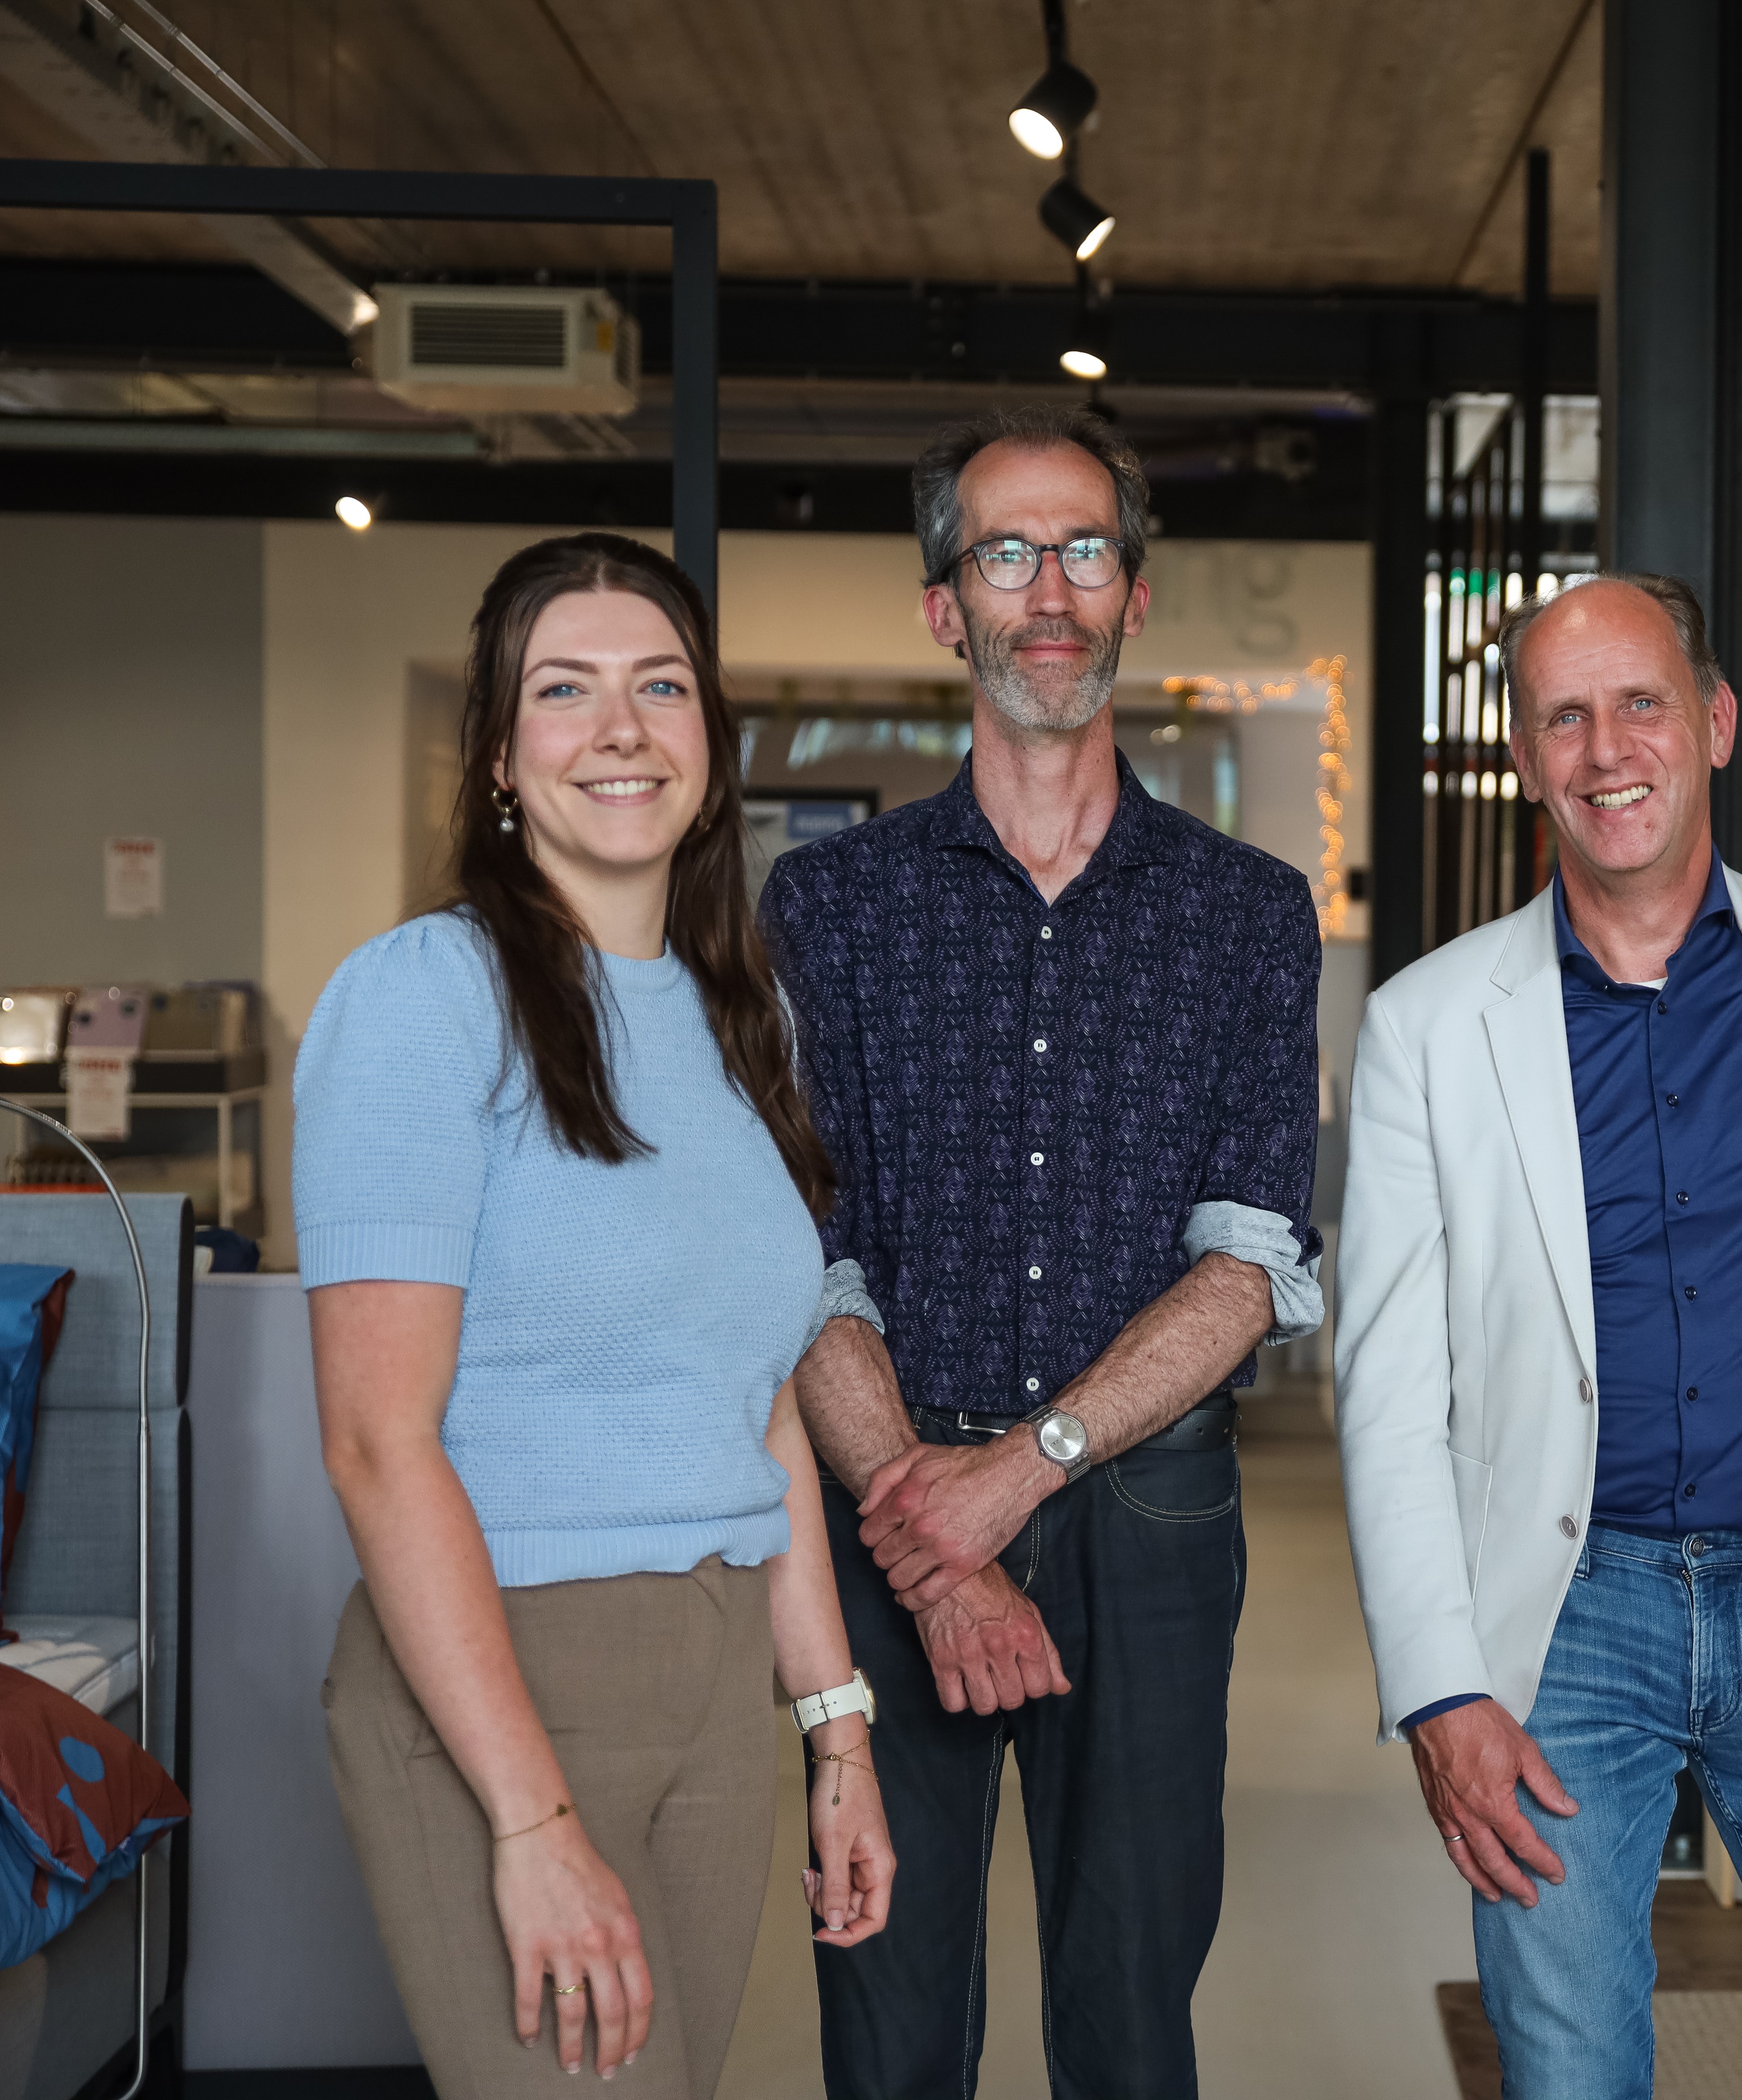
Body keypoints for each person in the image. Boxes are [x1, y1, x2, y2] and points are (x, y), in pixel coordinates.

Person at [1337, 573, 1742, 2099]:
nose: (1607, 749)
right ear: (1525, 756)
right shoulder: (1429, 1028)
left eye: (1641, 703)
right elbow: (1388, 1390)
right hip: (1564, 1623)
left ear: (1714, 722)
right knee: (1567, 2073)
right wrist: (1441, 1688)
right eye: (1564, 717)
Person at [761, 405, 1323, 2097]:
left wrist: (1015, 1477)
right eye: (1006, 552)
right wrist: (934, 1540)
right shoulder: (830, 908)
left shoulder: (1248, 911)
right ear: (948, 608)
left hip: (1145, 1516)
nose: (1051, 589)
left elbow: (1250, 1262)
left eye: (1085, 548)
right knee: (888, 2023)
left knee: (1132, 2019)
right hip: (889, 1500)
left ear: (1135, 594)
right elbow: (805, 1260)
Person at [300, 533, 894, 2099]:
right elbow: (375, 1443)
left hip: (720, 1683)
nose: (621, 728)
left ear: (712, 742)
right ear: (501, 758)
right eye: (565, 691)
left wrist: (836, 1732)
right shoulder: (425, 997)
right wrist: (530, 1820)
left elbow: (764, 1410)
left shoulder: (737, 1020)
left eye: (661, 687)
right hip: (506, 1679)